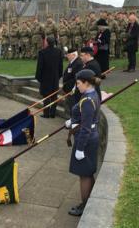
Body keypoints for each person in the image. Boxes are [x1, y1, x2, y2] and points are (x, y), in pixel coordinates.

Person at [65, 69, 101, 217]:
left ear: (86, 83)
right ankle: (89, 202)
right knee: (88, 172)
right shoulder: (92, 94)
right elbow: (87, 119)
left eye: (79, 83)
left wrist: (79, 148)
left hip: (85, 140)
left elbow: (86, 128)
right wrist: (73, 121)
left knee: (84, 174)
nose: (77, 86)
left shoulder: (86, 100)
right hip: (91, 137)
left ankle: (84, 206)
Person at [35, 36, 63, 118]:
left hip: (45, 78)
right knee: (54, 96)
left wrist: (38, 77)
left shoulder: (42, 52)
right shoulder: (58, 51)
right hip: (55, 77)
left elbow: (39, 66)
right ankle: (52, 113)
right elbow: (60, 66)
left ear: (47, 42)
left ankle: (46, 113)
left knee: (46, 96)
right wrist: (59, 75)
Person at [62, 47, 84, 116]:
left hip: (73, 90)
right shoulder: (72, 62)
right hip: (68, 88)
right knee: (70, 106)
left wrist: (73, 89)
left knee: (73, 106)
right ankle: (72, 120)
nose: (67, 57)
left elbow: (76, 78)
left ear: (74, 55)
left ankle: (74, 122)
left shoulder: (78, 63)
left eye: (68, 55)